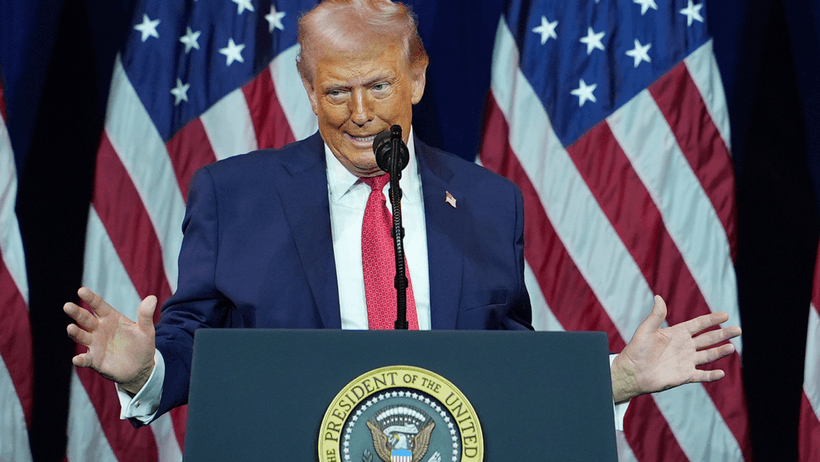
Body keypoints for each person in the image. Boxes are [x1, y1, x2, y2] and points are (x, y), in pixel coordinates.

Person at [63, 0, 740, 427]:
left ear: (415, 78)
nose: (360, 114)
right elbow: (194, 344)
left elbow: (509, 364)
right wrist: (146, 370)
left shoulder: (487, 202)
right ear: (308, 88)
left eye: (379, 86)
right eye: (337, 92)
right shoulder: (233, 196)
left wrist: (620, 376)